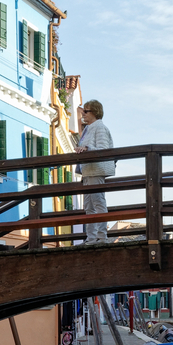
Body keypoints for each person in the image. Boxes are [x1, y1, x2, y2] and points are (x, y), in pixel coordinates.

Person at [77, 99, 114, 244]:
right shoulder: (88, 129)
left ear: (95, 112)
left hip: (95, 171)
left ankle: (101, 237)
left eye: (86, 111)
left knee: (97, 202)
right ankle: (92, 237)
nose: (83, 114)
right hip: (89, 171)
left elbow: (104, 150)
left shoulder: (99, 128)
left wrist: (86, 149)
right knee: (89, 206)